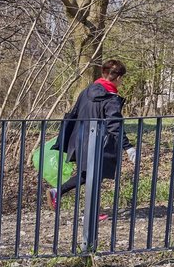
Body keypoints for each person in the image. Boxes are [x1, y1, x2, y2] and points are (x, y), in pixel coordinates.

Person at [48, 59, 137, 220]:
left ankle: (59, 193)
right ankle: (90, 214)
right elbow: (114, 124)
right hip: (99, 143)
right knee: (94, 175)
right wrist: (128, 147)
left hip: (80, 140)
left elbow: (73, 113)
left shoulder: (87, 91)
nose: (122, 82)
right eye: (122, 79)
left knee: (87, 175)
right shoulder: (110, 98)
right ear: (117, 78)